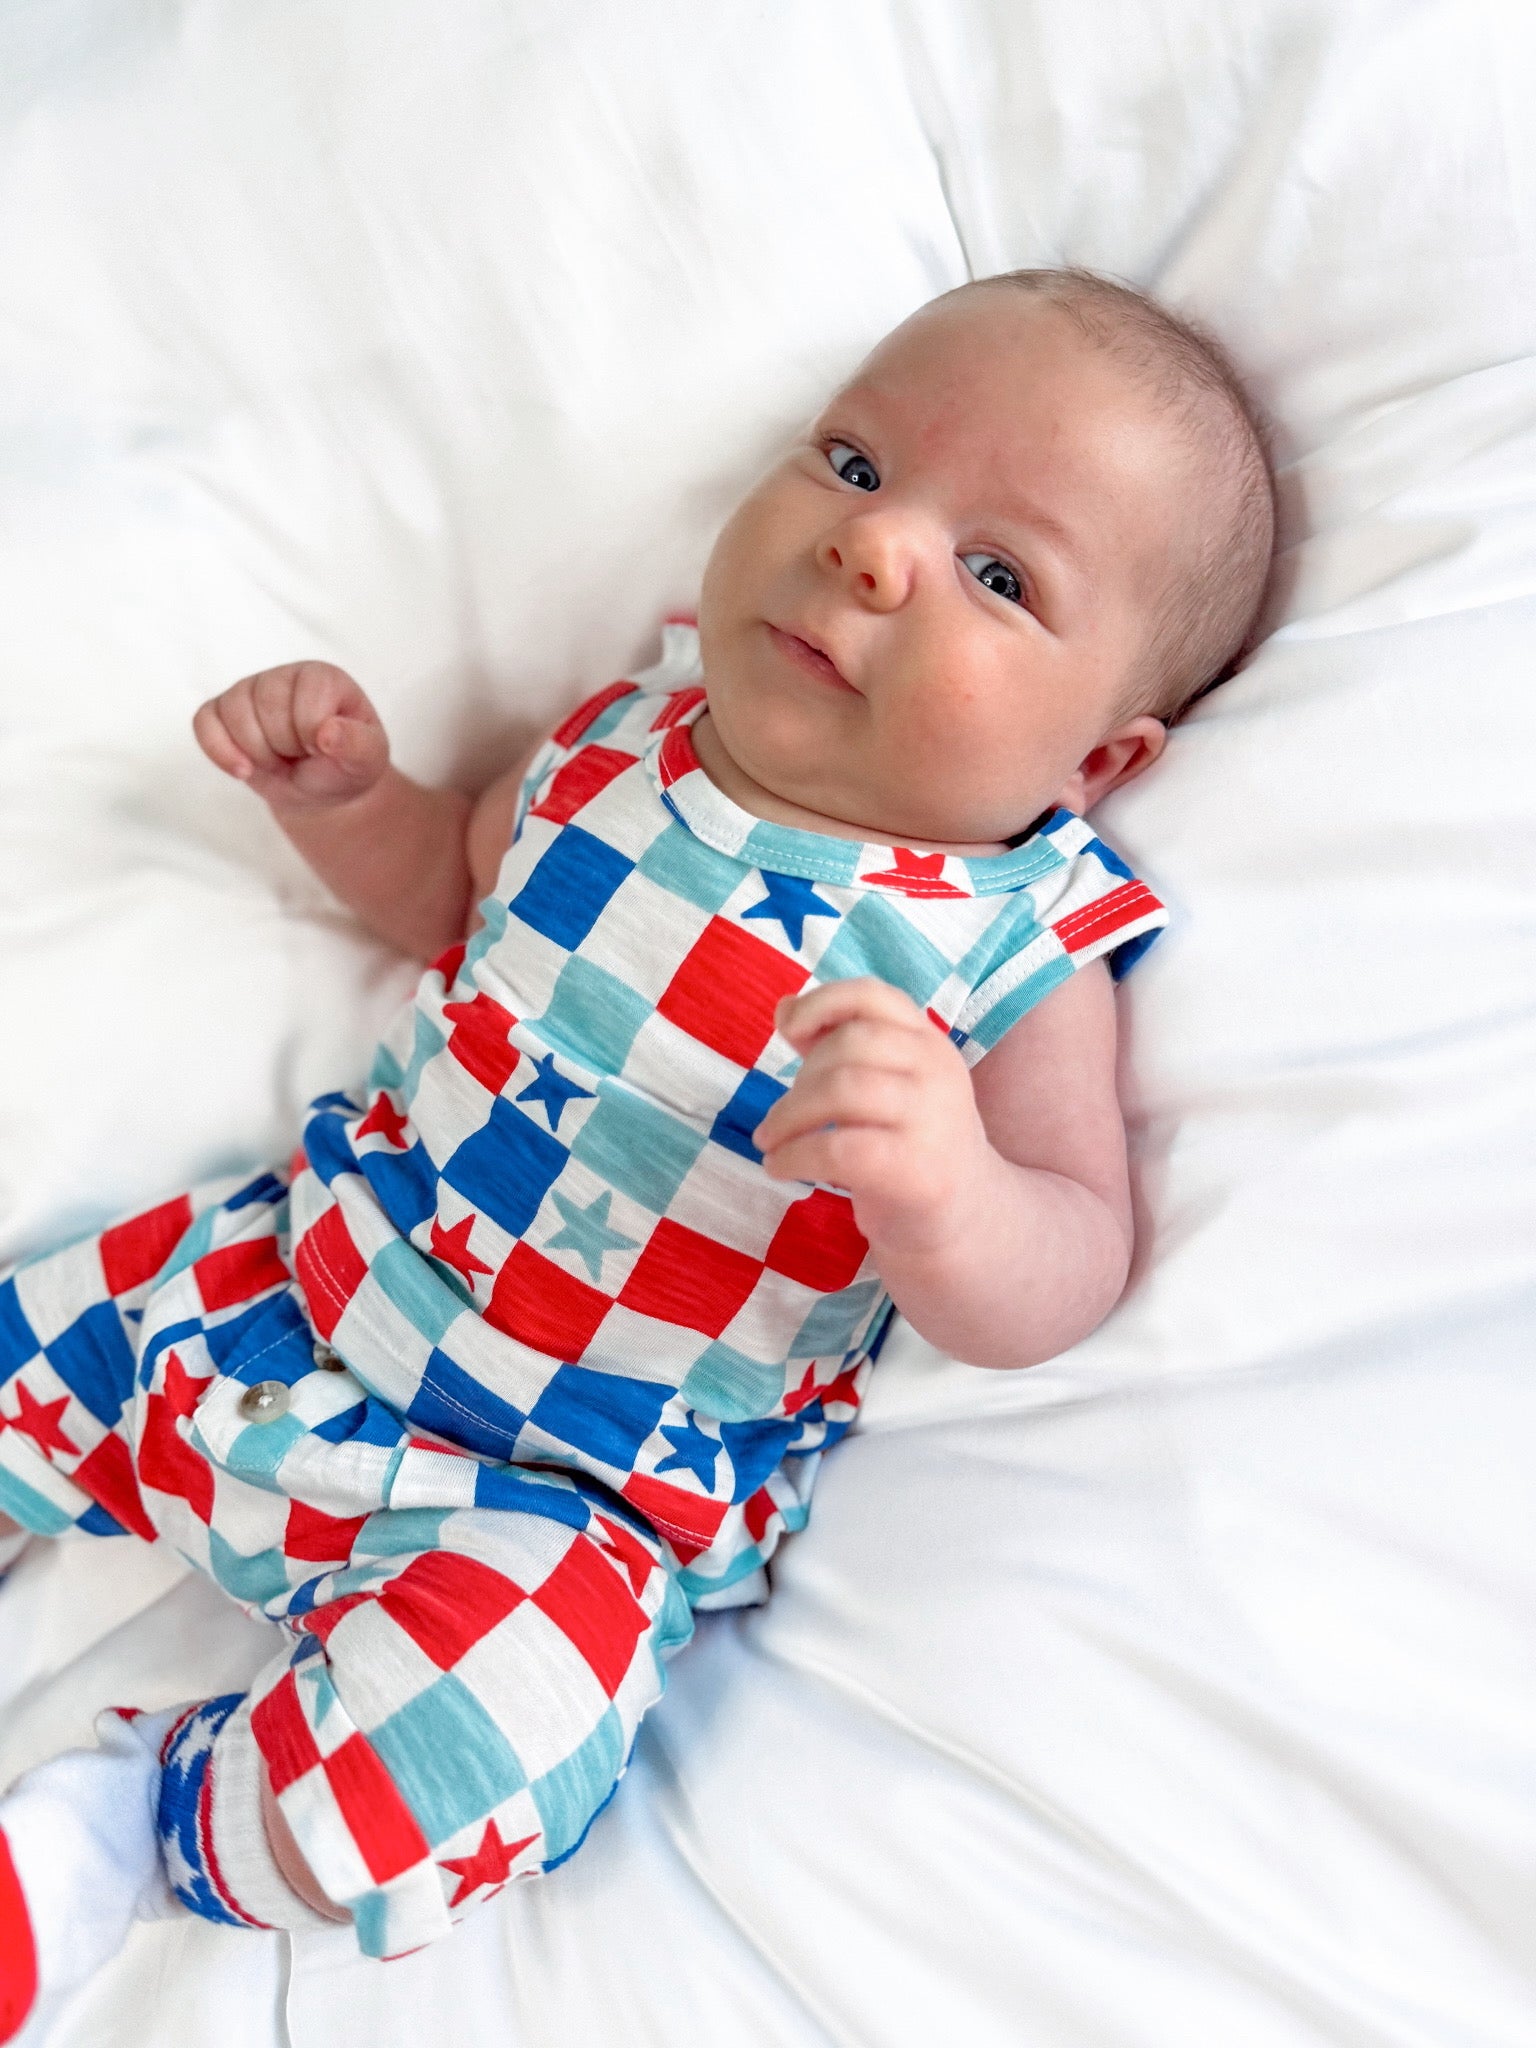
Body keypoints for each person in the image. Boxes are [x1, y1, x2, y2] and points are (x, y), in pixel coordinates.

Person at [0, 268, 1273, 2036]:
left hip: (564, 1498)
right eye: (851, 462)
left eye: (1000, 575)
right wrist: (353, 807)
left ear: (1103, 755)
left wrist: (945, 1191)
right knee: (39, 1334)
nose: (875, 548)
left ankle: (125, 1829)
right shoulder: (633, 727)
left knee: (474, 1746)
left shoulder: (1011, 942)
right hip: (296, 1282)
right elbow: (458, 894)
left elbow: (1066, 1266)